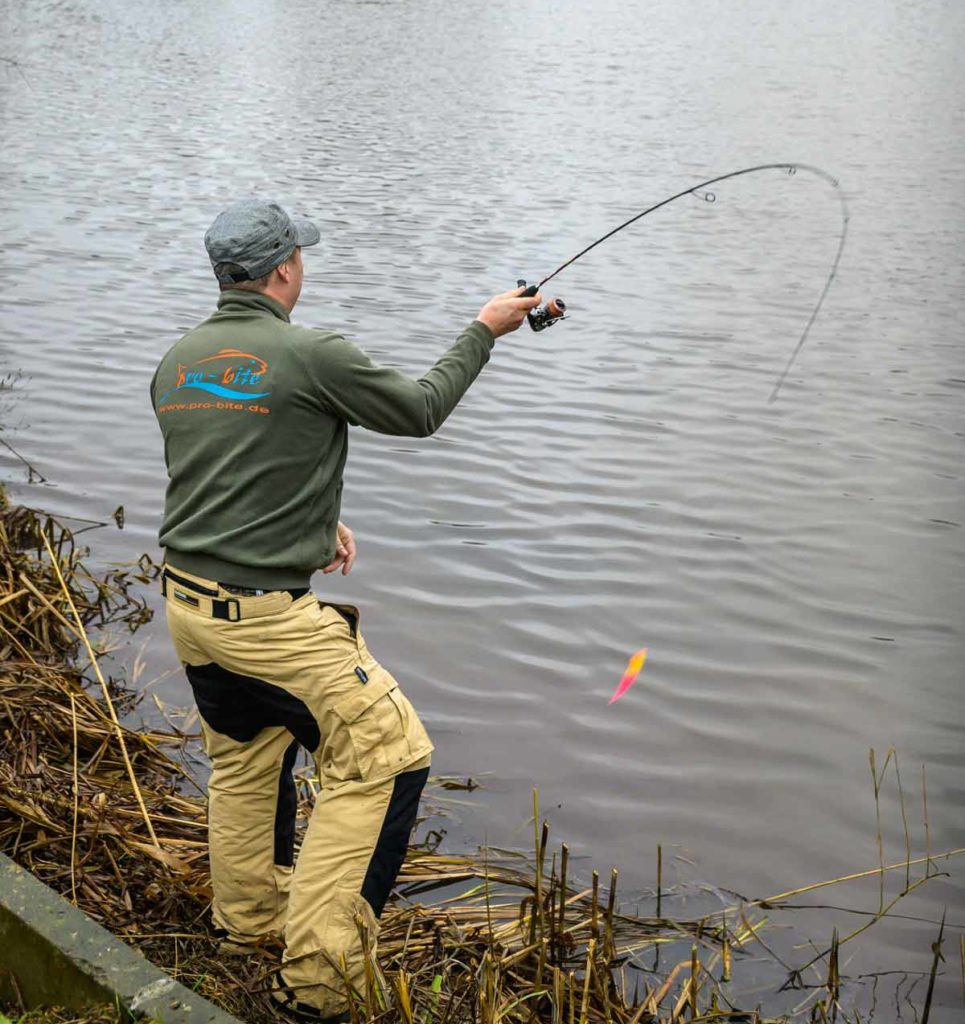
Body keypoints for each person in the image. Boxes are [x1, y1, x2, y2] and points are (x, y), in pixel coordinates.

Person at [150, 198, 540, 1021]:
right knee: (388, 756)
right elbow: (419, 410)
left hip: (188, 607)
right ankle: (320, 986)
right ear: (285, 268)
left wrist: (309, 523)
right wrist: (484, 329)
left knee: (247, 754)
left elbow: (220, 468)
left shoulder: (179, 360)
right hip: (265, 621)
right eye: (301, 257)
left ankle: (247, 924)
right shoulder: (309, 351)